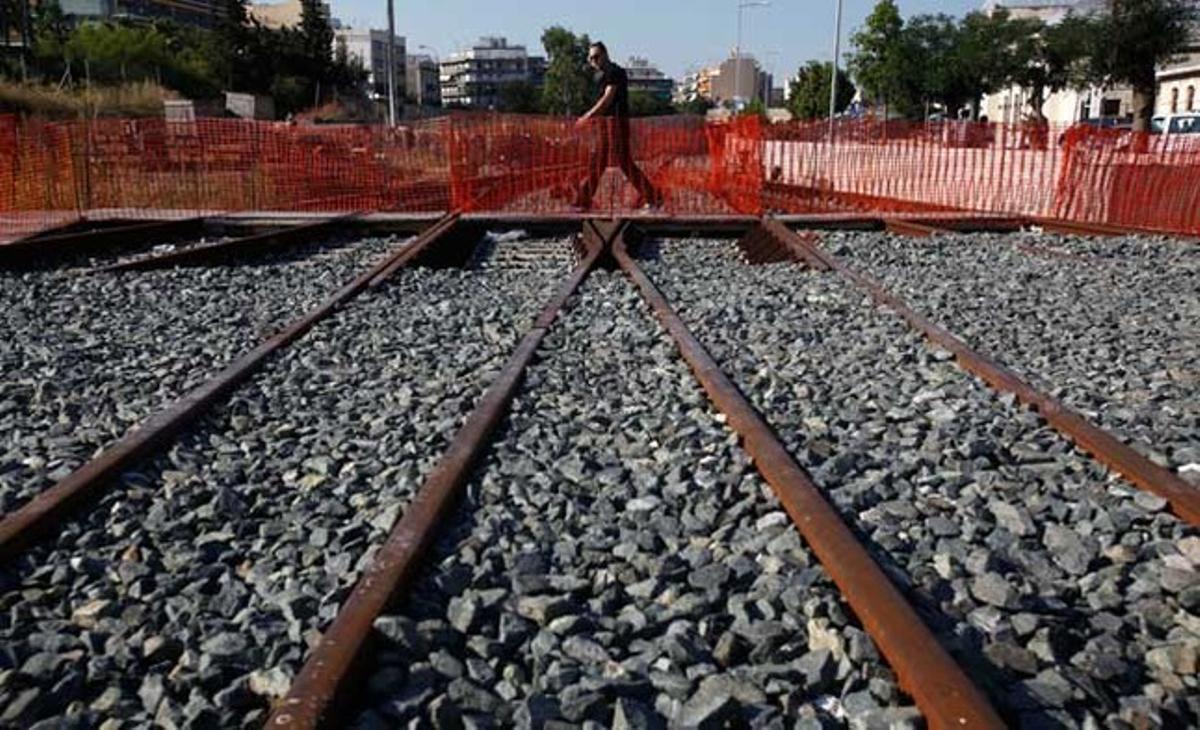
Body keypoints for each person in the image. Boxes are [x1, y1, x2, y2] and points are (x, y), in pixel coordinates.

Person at [572, 42, 664, 210]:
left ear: (605, 54)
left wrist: (587, 117)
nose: (594, 61)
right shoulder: (601, 76)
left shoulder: (615, 72)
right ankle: (583, 200)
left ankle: (653, 197)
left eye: (596, 56)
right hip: (606, 124)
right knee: (604, 163)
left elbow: (607, 99)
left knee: (619, 163)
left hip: (616, 124)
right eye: (591, 58)